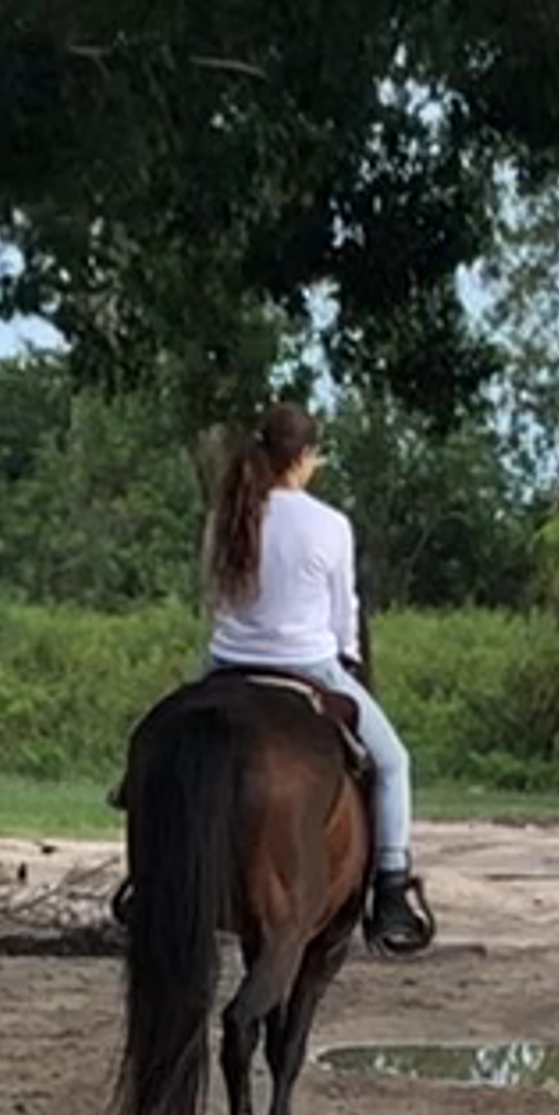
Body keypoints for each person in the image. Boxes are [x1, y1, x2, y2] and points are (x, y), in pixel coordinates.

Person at [199, 396, 435, 950]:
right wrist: (346, 659)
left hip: (228, 662)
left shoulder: (225, 515)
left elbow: (215, 600)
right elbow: (341, 613)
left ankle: (147, 874)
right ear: (304, 457)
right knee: (395, 762)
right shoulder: (330, 524)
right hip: (307, 663)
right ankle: (391, 891)